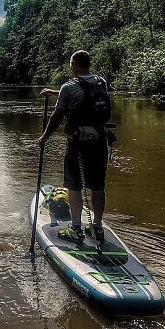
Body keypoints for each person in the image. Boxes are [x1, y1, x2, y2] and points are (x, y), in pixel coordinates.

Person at [36, 50, 110, 243]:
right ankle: (97, 227)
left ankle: (76, 229)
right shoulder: (101, 82)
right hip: (100, 139)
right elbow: (84, 96)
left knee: (75, 186)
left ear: (74, 64)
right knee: (98, 185)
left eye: (71, 63)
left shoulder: (68, 86)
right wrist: (55, 92)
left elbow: (57, 116)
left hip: (78, 142)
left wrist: (44, 137)